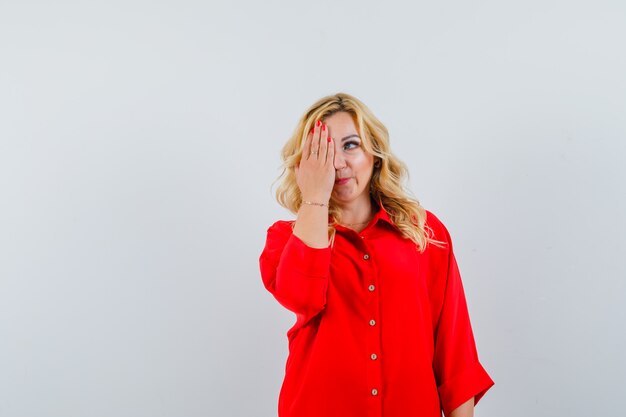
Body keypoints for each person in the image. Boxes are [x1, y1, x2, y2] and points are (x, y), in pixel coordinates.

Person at [259, 92, 494, 417]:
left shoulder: (423, 231)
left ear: (374, 152)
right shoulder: (286, 238)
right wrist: (315, 197)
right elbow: (302, 298)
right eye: (322, 150)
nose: (337, 162)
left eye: (350, 145)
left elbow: (455, 351)